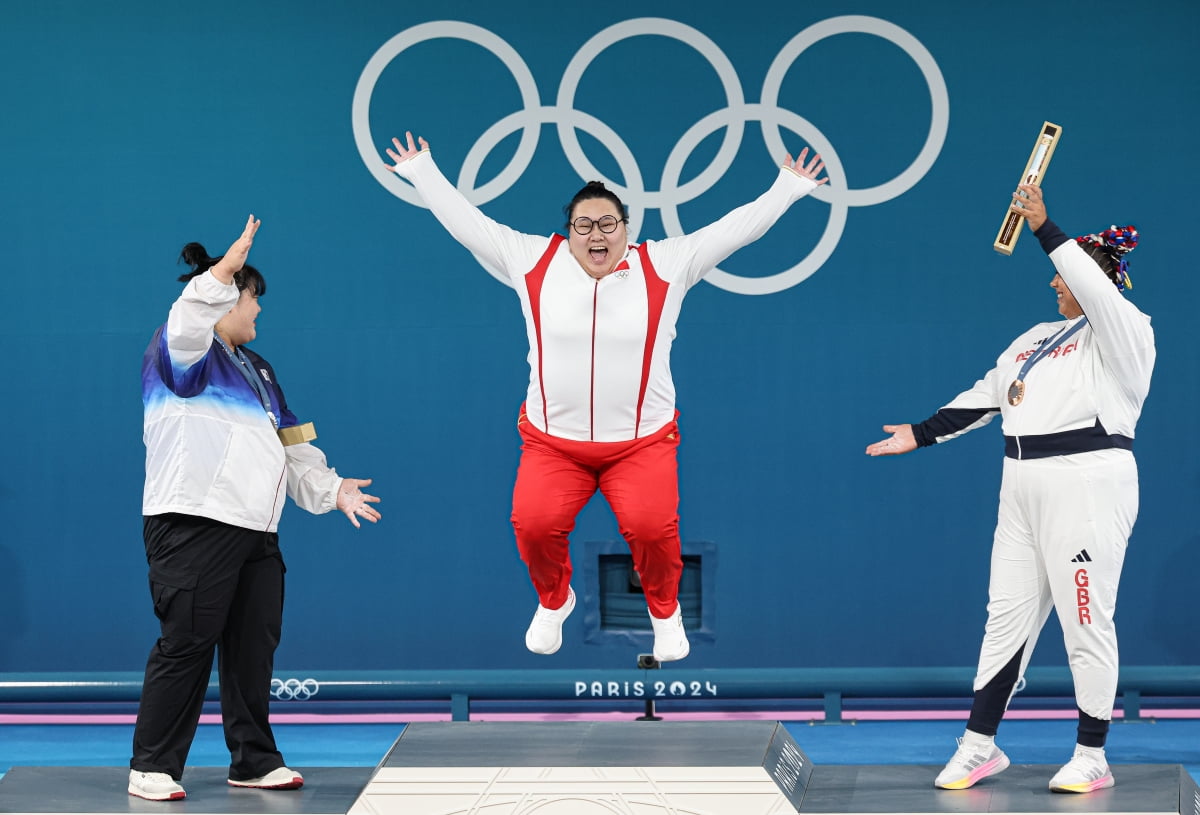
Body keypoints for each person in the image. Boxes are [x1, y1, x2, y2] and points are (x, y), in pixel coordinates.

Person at [384, 131, 827, 663]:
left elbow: (732, 231)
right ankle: (555, 601)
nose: (597, 235)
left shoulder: (665, 264)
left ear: (625, 230)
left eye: (608, 224)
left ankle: (665, 611)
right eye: (584, 226)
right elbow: (467, 224)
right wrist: (424, 172)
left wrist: (787, 187)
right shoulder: (531, 262)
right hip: (553, 444)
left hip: (641, 444)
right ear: (567, 232)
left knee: (650, 528)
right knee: (532, 524)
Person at [866, 183, 1151, 794]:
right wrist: (919, 433)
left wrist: (1048, 228)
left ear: (1092, 275)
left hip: (1087, 483)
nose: (1053, 283)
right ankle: (979, 746)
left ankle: (1092, 755)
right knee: (1005, 619)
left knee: (1085, 619)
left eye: (1063, 274)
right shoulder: (1035, 338)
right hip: (1021, 485)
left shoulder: (1127, 334)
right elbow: (986, 396)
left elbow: (1095, 287)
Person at [129, 216, 382, 801]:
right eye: (253, 299)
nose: (259, 311)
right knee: (187, 642)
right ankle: (152, 765)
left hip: (256, 532)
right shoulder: (183, 350)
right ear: (226, 296)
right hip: (194, 522)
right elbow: (192, 312)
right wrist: (221, 270)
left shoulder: (261, 371)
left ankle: (253, 759)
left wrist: (333, 488)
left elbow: (294, 449)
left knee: (252, 649)